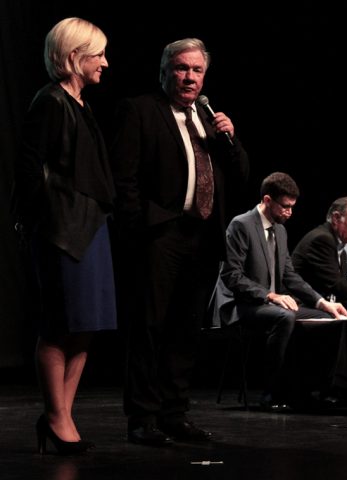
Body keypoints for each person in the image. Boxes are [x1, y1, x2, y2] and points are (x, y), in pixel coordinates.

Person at [110, 38, 249, 446]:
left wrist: (231, 137)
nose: (189, 77)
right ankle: (142, 419)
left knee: (185, 331)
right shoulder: (139, 110)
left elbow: (240, 174)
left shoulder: (208, 118)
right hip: (160, 235)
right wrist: (140, 231)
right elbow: (125, 179)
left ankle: (174, 413)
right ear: (165, 70)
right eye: (182, 68)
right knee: (150, 327)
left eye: (197, 71)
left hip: (203, 237)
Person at [11, 17, 115, 454]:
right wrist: (39, 222)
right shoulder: (50, 101)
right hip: (62, 228)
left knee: (86, 327)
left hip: (90, 225)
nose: (105, 63)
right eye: (99, 55)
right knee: (59, 325)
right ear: (75, 57)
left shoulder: (81, 103)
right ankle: (56, 418)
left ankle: (62, 416)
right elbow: (30, 168)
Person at [211, 172, 347, 412]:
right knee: (284, 316)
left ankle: (307, 389)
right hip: (241, 304)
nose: (289, 212)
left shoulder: (281, 231)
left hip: (269, 306)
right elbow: (231, 276)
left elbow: (289, 276)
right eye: (285, 207)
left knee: (326, 321)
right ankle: (272, 391)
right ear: (267, 200)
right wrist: (270, 295)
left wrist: (321, 302)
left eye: (292, 207)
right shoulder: (241, 225)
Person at [292, 196, 347, 311]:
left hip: (319, 304)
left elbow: (340, 292)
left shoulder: (341, 247)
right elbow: (335, 284)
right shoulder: (322, 239)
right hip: (298, 304)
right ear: (336, 218)